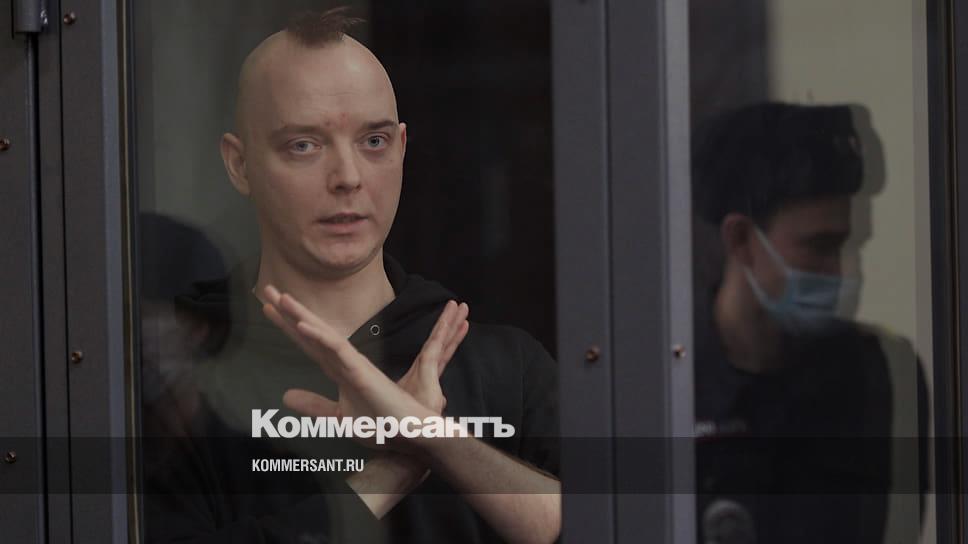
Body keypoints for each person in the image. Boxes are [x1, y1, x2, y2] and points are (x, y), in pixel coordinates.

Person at [143, 8, 560, 544]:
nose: (347, 177)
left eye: (373, 142)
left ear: (402, 148)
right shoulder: (181, 374)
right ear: (239, 165)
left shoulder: (504, 368)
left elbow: (613, 522)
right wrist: (393, 470)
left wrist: (437, 441)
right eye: (304, 145)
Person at [691, 102, 928, 544]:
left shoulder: (874, 375)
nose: (845, 272)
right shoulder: (670, 383)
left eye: (850, 245)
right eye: (820, 246)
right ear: (741, 240)